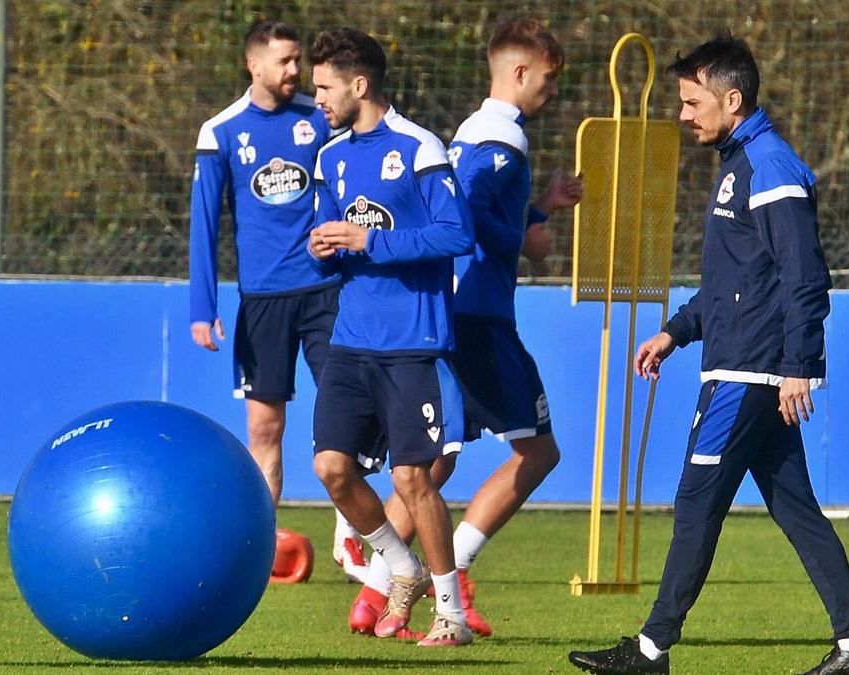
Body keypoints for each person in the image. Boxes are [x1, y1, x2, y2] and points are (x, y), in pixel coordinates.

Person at [567, 37, 849, 675]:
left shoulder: (769, 167)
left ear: (731, 100)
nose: (683, 114)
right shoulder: (742, 163)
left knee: (695, 504)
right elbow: (733, 281)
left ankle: (652, 650)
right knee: (798, 511)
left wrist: (800, 367)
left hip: (749, 374)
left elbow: (804, 278)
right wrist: (675, 332)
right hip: (749, 367)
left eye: (692, 101)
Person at [345, 16, 582, 639]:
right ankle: (458, 570)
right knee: (539, 451)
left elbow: (468, 205)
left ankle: (374, 594)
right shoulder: (499, 141)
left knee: (434, 463)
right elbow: (469, 215)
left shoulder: (478, 132)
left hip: (459, 311)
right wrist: (525, 238)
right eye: (550, 80)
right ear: (520, 72)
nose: (553, 93)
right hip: (481, 315)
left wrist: (539, 206)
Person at [306, 27, 476, 647]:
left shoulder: (421, 147)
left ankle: (452, 615)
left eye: (324, 87)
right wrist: (322, 248)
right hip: (351, 341)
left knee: (412, 479)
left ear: (360, 84)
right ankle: (399, 568)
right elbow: (330, 244)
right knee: (330, 465)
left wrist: (368, 241)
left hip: (412, 343)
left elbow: (456, 235)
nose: (316, 98)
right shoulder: (329, 157)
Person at [187, 19, 367, 584]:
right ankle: (262, 547)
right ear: (254, 65)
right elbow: (204, 224)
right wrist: (202, 305)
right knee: (265, 430)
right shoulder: (220, 132)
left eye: (298, 62)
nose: (296, 72)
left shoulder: (321, 120)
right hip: (262, 302)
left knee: (348, 415)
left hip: (325, 292)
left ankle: (351, 536)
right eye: (286, 61)